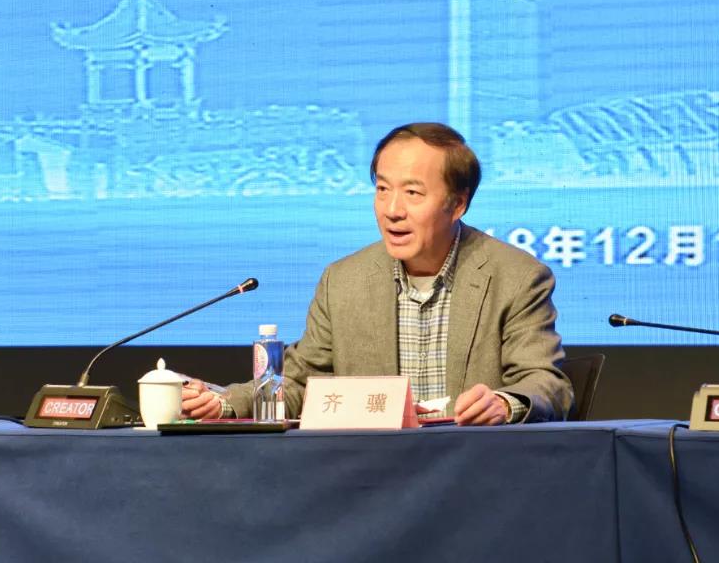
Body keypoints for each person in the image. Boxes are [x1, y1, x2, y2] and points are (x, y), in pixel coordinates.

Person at [183, 122, 572, 425]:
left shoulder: (516, 277)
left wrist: (504, 403)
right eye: (383, 189)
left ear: (458, 205)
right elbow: (300, 384)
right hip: (372, 474)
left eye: (413, 193)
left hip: (470, 468)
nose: (392, 210)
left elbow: (545, 382)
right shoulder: (344, 281)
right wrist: (224, 403)